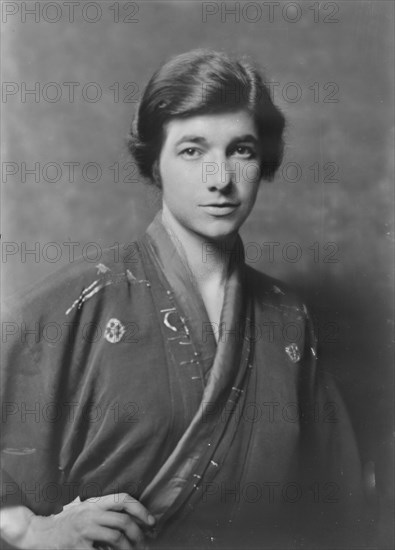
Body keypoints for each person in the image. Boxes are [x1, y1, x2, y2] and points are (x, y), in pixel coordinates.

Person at [0, 49, 376, 549]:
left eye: (241, 150)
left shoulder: (288, 320)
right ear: (154, 161)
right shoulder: (81, 301)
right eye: (192, 151)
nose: (220, 179)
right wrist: (30, 530)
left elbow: (336, 505)